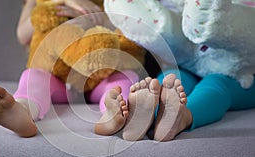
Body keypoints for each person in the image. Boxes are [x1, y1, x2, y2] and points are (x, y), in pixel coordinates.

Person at [98, 0, 255, 141]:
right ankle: (134, 116)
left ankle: (179, 116)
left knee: (215, 84)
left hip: (241, 70)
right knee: (170, 80)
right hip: (189, 60)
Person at [0, 0, 139, 137]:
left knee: (124, 78)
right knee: (33, 76)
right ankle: (22, 110)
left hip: (98, 78)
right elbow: (22, 34)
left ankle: (112, 114)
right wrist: (59, 3)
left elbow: (128, 28)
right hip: (57, 79)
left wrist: (95, 18)